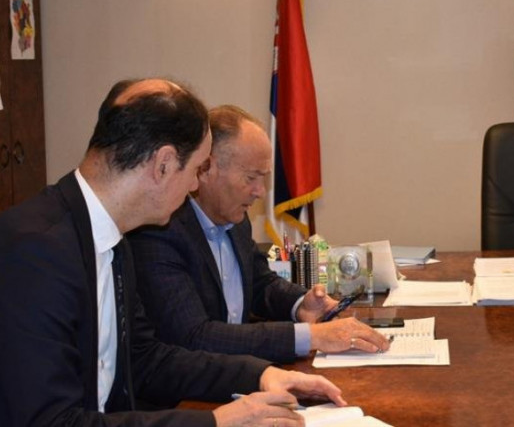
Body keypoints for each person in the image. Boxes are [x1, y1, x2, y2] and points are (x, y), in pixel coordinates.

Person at [0, 79, 344, 426]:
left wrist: (260, 375)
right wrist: (215, 422)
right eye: (195, 170)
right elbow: (50, 421)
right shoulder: (35, 250)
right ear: (163, 163)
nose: (195, 185)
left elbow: (145, 360)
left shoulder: (113, 237)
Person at [128, 105, 389, 363]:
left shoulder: (236, 220)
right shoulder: (160, 231)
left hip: (241, 373)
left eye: (263, 178)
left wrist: (301, 304)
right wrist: (309, 337)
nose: (261, 192)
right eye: (251, 177)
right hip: (191, 385)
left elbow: (260, 283)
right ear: (205, 169)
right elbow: (194, 337)